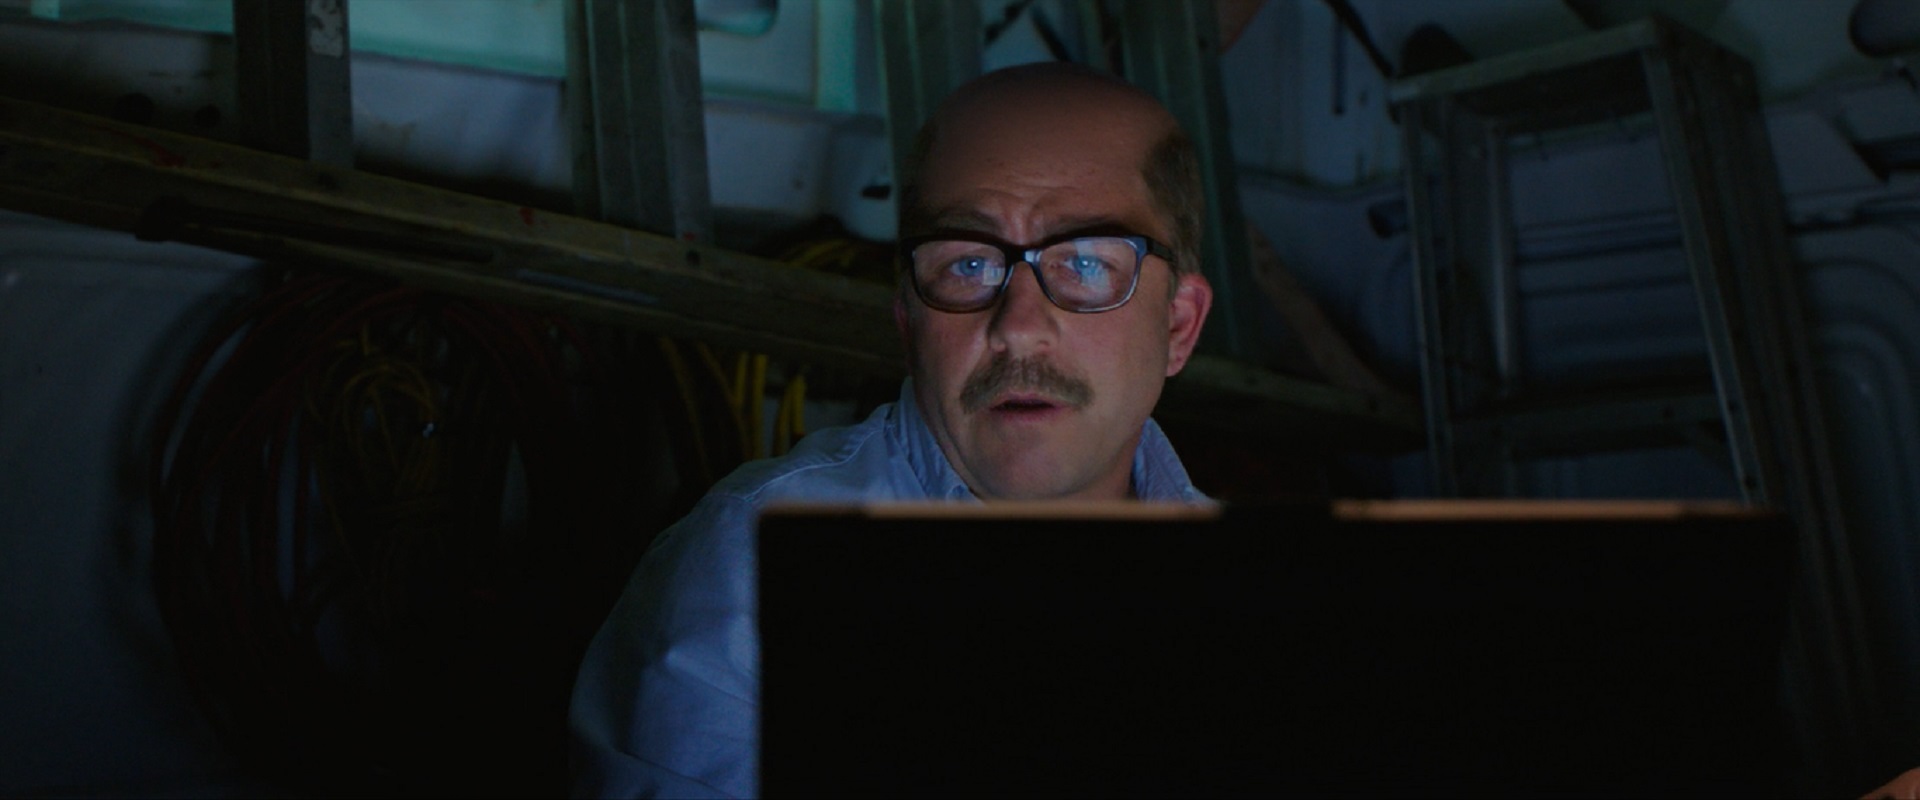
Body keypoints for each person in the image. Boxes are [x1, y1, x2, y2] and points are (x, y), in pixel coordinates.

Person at [567, 61, 1216, 798]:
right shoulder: (753, 566)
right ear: (908, 321)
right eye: (968, 264)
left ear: (1177, 326)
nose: (1019, 327)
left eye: (1088, 263)